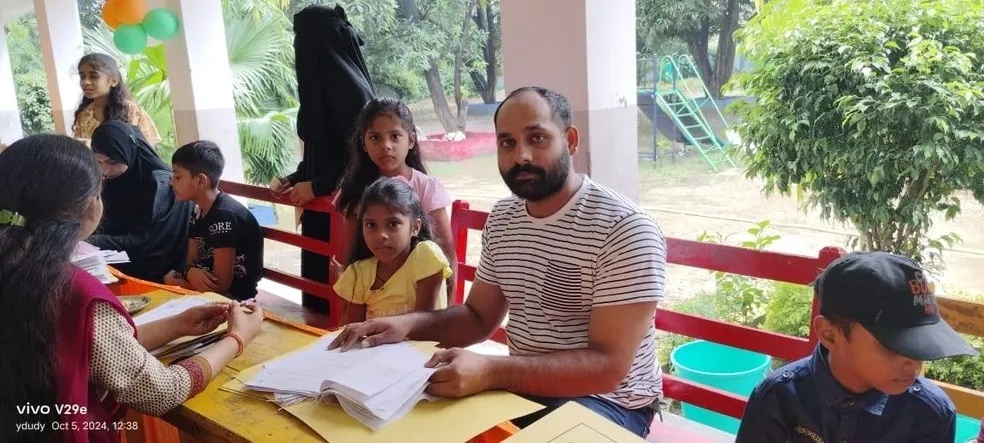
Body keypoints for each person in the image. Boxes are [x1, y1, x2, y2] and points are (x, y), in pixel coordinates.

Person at [329, 86, 666, 437]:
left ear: (570, 140)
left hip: (610, 401)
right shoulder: (504, 218)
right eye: (507, 142)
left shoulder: (623, 228)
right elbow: (478, 318)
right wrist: (406, 325)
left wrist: (491, 371)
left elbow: (608, 368)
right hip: (523, 387)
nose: (521, 156)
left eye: (537, 138)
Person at [0, 135, 264, 443]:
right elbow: (162, 391)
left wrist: (176, 326)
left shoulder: (19, 273)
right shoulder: (73, 293)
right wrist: (237, 338)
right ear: (90, 207)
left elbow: (91, 348)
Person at [735, 251, 980, 442]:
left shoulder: (931, 415)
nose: (914, 365)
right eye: (892, 347)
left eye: (920, 347)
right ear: (830, 335)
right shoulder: (777, 399)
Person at [269, 4, 375, 314]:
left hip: (349, 211)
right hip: (321, 210)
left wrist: (317, 186)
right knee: (317, 296)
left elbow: (362, 160)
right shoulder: (319, 94)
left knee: (344, 299)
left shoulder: (355, 96)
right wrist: (294, 178)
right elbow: (322, 151)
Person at [333, 97, 457, 304]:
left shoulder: (426, 188)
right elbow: (351, 253)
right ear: (364, 143)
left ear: (411, 140)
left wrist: (447, 313)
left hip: (422, 301)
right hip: (373, 301)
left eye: (395, 136)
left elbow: (447, 255)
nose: (386, 146)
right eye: (375, 138)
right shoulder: (355, 191)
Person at [330, 177, 451, 325]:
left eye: (393, 224)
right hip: (374, 341)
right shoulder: (359, 273)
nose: (381, 235)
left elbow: (422, 327)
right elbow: (354, 330)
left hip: (422, 340)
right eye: (371, 225)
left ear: (415, 227)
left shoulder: (426, 256)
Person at [86, 121, 194, 282]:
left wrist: (87, 239)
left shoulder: (161, 185)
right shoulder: (112, 179)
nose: (104, 169)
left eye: (112, 162)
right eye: (98, 161)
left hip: (161, 268)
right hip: (121, 260)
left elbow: (147, 243)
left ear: (129, 153)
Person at [164, 141, 264, 300]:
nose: (171, 182)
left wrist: (177, 283)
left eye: (177, 177)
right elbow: (190, 262)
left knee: (168, 283)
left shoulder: (224, 218)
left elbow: (221, 285)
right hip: (210, 291)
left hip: (235, 299)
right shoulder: (198, 211)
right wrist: (189, 271)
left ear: (200, 181)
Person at [72, 53, 161, 145]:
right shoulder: (84, 114)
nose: (86, 82)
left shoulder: (130, 110)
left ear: (113, 81)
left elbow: (146, 146)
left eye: (94, 76)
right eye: (82, 76)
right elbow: (79, 149)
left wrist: (96, 146)